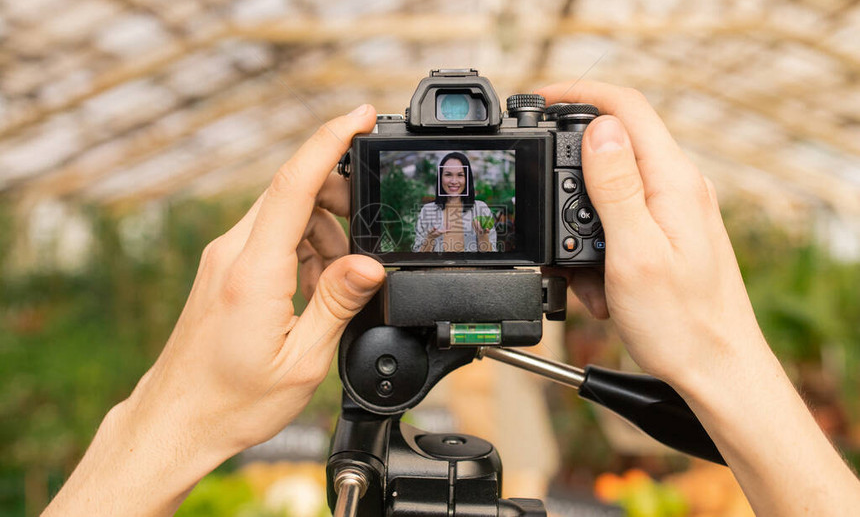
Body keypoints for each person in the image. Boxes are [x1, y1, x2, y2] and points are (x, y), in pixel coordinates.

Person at [42, 83, 860, 517]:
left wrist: (157, 431)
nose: (462, 173)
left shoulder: (489, 212)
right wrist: (736, 376)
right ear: (442, 176)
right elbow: (430, 245)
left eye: (472, 168)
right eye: (455, 169)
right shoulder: (433, 211)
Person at [412, 151, 497, 253]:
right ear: (440, 178)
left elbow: (491, 258)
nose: (454, 181)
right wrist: (430, 238)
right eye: (448, 174)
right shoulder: (427, 211)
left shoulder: (480, 209)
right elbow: (418, 260)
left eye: (460, 175)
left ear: (467, 179)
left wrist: (482, 236)